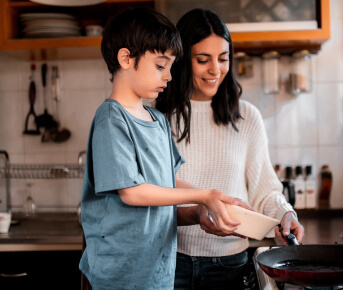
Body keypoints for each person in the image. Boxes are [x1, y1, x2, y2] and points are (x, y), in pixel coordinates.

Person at [79, 8, 251, 290]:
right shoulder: (111, 120)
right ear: (126, 58)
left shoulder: (157, 120)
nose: (169, 76)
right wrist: (205, 195)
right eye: (161, 66)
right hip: (119, 275)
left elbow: (167, 183)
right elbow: (133, 193)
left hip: (157, 273)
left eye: (171, 66)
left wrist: (207, 206)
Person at [155, 8, 305, 289]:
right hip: (170, 262)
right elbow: (155, 194)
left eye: (223, 58)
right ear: (183, 60)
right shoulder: (159, 119)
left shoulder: (247, 118)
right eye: (203, 60)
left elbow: (265, 190)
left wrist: (286, 214)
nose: (215, 70)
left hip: (230, 265)